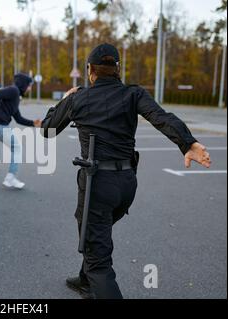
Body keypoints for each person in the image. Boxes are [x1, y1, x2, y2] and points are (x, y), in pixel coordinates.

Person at [41, 43, 212, 299]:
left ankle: (93, 277)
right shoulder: (133, 94)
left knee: (97, 253)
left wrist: (64, 100)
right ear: (117, 69)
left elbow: (48, 129)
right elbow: (161, 117)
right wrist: (188, 143)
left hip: (97, 185)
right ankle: (85, 281)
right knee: (95, 233)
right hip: (126, 185)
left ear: (90, 70)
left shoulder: (78, 98)